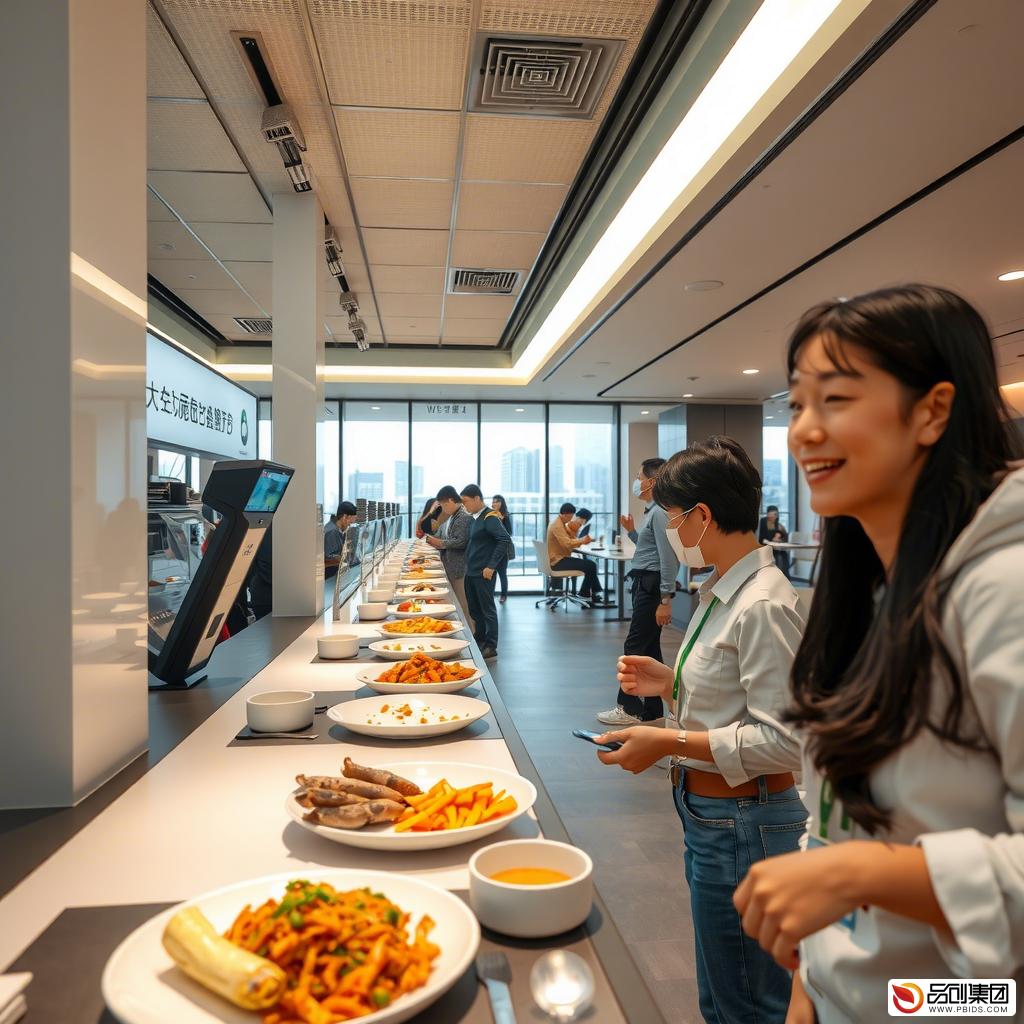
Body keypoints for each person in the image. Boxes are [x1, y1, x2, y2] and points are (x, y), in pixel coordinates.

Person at [733, 285, 1024, 1024]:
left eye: (833, 399)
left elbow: (859, 865)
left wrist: (862, 874)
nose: (803, 430)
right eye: (795, 404)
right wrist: (815, 985)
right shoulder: (874, 591)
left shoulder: (1005, 588)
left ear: (932, 410)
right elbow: (842, 818)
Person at [597, 436, 807, 1024]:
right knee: (721, 996)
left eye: (670, 517)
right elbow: (732, 695)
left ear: (702, 516)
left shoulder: (761, 603)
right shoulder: (722, 590)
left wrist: (669, 740)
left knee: (747, 1004)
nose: (668, 530)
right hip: (711, 817)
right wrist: (671, 684)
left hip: (746, 822)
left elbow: (785, 740)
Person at [597, 457, 680, 727]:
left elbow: (668, 558)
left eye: (639, 476)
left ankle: (629, 707)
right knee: (650, 649)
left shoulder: (659, 513)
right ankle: (653, 710)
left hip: (651, 586)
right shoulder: (652, 512)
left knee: (634, 646)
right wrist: (632, 532)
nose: (637, 481)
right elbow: (649, 550)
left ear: (652, 481)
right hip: (646, 582)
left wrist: (666, 598)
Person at [460, 484, 507, 660]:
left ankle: (491, 645)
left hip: (483, 572)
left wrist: (491, 566)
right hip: (471, 571)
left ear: (477, 499)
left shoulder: (490, 517)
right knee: (475, 610)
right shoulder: (476, 518)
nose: (464, 506)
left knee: (487, 610)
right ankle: (480, 639)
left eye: (466, 502)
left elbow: (504, 540)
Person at [424, 485, 471, 625]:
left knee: (462, 604)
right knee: (457, 601)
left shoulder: (462, 516)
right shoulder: (452, 516)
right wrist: (437, 540)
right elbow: (442, 534)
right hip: (452, 564)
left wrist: (440, 543)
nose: (443, 510)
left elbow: (460, 542)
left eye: (444, 505)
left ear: (450, 501)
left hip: (459, 567)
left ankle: (469, 633)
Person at [546, 502, 608, 605]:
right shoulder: (557, 526)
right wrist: (583, 540)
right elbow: (567, 544)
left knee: (590, 565)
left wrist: (575, 532)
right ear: (565, 514)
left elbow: (571, 540)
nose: (571, 520)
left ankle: (590, 592)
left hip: (559, 559)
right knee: (591, 565)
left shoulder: (560, 523)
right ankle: (586, 593)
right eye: (570, 517)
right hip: (558, 562)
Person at [490, 494, 514, 604]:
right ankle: (491, 594)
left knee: (502, 573)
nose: (494, 503)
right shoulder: (490, 515)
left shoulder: (506, 516)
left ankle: (503, 595)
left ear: (502, 503)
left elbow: (509, 533)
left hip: (503, 550)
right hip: (492, 549)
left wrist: (502, 519)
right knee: (491, 573)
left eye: (497, 501)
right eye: (493, 501)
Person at [324, 500, 357, 576]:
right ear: (344, 517)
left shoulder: (338, 530)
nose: (349, 526)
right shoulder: (331, 531)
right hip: (330, 576)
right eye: (350, 523)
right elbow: (328, 558)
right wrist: (345, 558)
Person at [757, 504, 791, 578]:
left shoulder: (776, 523)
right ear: (768, 514)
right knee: (777, 555)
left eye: (776, 514)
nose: (775, 516)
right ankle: (775, 576)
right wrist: (771, 539)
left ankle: (785, 576)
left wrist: (779, 534)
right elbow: (761, 536)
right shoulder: (763, 522)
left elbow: (780, 532)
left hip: (774, 546)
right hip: (765, 545)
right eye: (773, 514)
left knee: (784, 554)